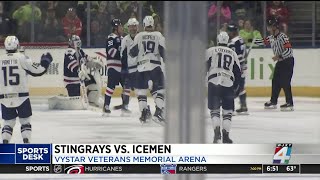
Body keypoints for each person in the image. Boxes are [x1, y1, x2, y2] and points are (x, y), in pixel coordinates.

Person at [0, 36, 53, 143]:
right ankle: (26, 140)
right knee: (25, 121)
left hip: (4, 97)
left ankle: (5, 141)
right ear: (17, 45)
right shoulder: (22, 57)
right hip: (22, 96)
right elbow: (38, 71)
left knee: (8, 122)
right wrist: (45, 62)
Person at [206, 32, 241, 144]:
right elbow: (238, 73)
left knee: (215, 111)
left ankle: (217, 135)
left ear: (217, 40)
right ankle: (226, 136)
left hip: (213, 81)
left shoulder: (211, 50)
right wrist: (236, 88)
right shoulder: (233, 53)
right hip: (228, 83)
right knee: (227, 112)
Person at [129, 16, 166, 124]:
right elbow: (164, 53)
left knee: (141, 92)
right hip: (155, 67)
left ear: (144, 25)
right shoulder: (158, 35)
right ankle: (158, 112)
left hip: (141, 68)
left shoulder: (139, 36)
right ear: (153, 24)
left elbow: (132, 53)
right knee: (161, 90)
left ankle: (144, 113)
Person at [255, 16, 294, 111]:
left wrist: (279, 56)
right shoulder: (271, 38)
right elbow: (261, 42)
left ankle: (290, 103)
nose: (268, 29)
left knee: (285, 82)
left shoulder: (283, 37)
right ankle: (273, 101)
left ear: (274, 27)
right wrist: (248, 40)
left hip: (287, 61)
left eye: (269, 26)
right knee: (275, 81)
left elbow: (289, 50)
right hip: (280, 63)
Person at [55, 35, 103, 110]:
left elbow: (87, 58)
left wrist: (94, 61)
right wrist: (79, 70)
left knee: (93, 83)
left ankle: (92, 101)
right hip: (72, 82)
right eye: (75, 42)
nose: (77, 44)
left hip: (81, 78)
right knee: (76, 102)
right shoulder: (69, 52)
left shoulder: (79, 51)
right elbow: (72, 65)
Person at [103, 19, 131, 115]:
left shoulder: (124, 38)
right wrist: (123, 53)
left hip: (123, 67)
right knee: (111, 86)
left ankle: (125, 106)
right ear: (115, 28)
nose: (122, 28)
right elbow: (111, 51)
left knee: (127, 86)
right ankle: (106, 106)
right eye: (120, 26)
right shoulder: (111, 38)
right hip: (113, 66)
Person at [227, 23, 248, 114]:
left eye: (229, 32)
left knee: (232, 87)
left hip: (236, 68)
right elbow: (244, 54)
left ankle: (230, 108)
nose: (228, 33)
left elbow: (235, 56)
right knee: (241, 87)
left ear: (233, 32)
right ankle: (244, 106)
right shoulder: (241, 39)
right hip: (243, 67)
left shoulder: (232, 43)